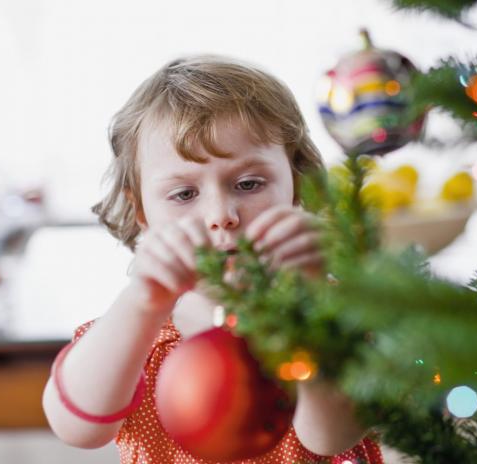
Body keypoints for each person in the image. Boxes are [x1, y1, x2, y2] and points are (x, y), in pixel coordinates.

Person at [42, 55, 383, 463]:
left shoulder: (342, 313)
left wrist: (308, 298)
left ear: (297, 187)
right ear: (141, 212)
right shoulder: (134, 333)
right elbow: (79, 428)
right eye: (184, 194)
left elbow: (330, 437)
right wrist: (142, 301)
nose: (221, 214)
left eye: (248, 183)